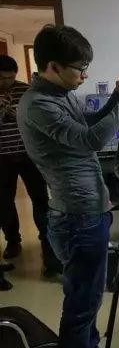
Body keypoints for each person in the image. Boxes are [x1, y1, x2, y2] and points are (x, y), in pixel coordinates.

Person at [17, 25, 119, 348]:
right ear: (53, 66)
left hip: (88, 210)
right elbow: (91, 140)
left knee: (88, 297)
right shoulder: (39, 105)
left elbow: (88, 126)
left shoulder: (59, 95)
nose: (86, 75)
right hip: (76, 217)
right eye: (80, 68)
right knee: (81, 302)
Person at [0, 54, 62, 275]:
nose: (6, 82)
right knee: (4, 203)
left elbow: (38, 123)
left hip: (29, 156)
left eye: (10, 77)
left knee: (40, 200)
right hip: (1, 158)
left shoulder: (27, 91)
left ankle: (47, 244)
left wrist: (18, 114)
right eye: (2, 78)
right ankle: (13, 240)